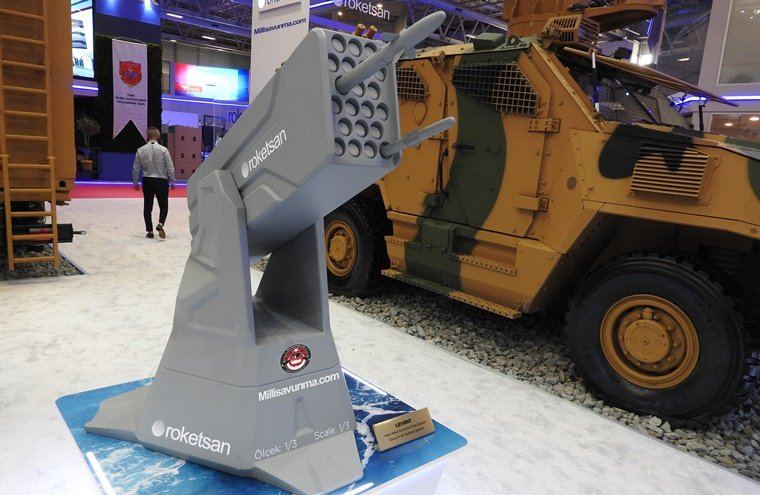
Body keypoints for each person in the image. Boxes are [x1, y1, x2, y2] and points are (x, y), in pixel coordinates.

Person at [132, 127, 175, 239]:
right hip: (161, 180)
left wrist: (135, 181)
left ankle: (150, 231)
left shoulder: (140, 150)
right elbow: (170, 166)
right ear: (158, 135)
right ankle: (160, 223)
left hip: (147, 180)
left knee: (147, 206)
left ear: (148, 135)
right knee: (163, 205)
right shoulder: (164, 150)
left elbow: (136, 168)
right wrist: (172, 180)